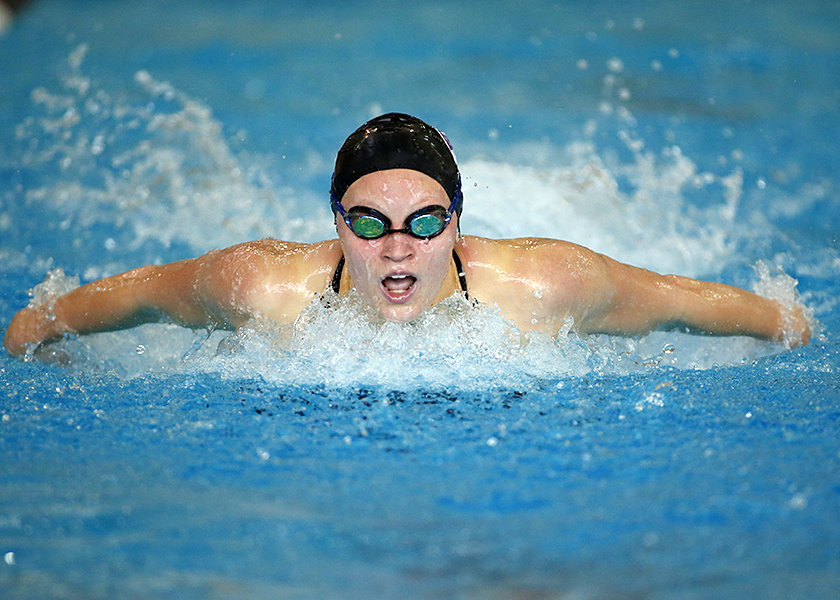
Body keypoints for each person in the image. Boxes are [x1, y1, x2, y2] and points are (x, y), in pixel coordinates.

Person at [3, 112, 810, 357]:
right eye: (369, 223)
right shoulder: (261, 287)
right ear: (336, 224)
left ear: (457, 223)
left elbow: (677, 300)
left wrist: (787, 322)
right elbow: (143, 293)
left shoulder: (544, 286)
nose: (397, 247)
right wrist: (35, 327)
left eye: (425, 223)